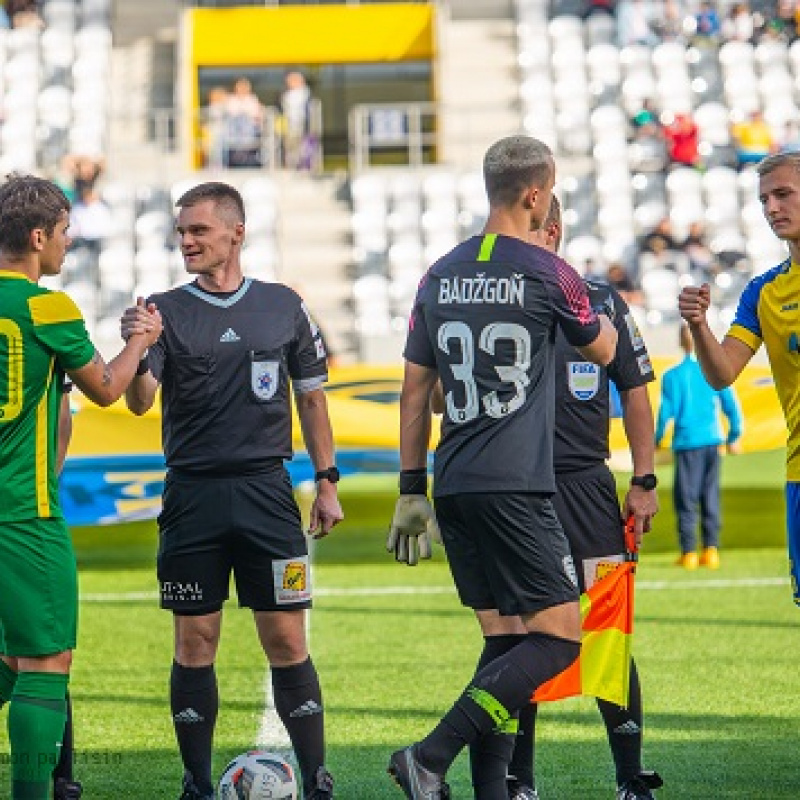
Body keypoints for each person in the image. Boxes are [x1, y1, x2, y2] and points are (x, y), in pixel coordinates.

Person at [385, 135, 618, 799]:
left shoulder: (438, 273)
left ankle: (492, 792)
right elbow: (603, 349)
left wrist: (411, 490)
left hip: (453, 481)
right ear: (538, 196)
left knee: (505, 640)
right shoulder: (550, 271)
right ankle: (429, 755)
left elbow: (413, 392)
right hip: (516, 483)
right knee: (561, 639)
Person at [121, 181, 342, 800]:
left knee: (286, 638)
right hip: (192, 497)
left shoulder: (283, 305)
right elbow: (141, 402)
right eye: (181, 231)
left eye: (199, 230)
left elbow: (312, 398)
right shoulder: (163, 309)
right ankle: (194, 782)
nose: (185, 240)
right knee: (196, 641)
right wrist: (140, 343)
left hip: (268, 496)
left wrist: (326, 482)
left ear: (236, 232)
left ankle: (317, 776)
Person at [0, 174, 161, 800]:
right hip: (23, 511)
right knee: (44, 663)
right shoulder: (48, 308)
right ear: (38, 236)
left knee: (11, 662)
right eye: (65, 233)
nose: (68, 245)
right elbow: (109, 389)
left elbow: (58, 412)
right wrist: (139, 341)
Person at [503, 196, 662, 800]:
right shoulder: (500, 300)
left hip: (589, 490)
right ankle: (519, 781)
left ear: (554, 229)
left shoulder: (603, 302)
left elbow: (637, 391)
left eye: (531, 229)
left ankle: (630, 777)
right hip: (518, 491)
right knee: (521, 636)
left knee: (606, 632)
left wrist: (642, 480)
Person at [677, 151, 800, 603]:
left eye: (783, 194)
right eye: (764, 199)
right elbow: (722, 373)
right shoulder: (763, 291)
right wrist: (699, 326)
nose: (771, 208)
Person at [655, 324, 743, 569]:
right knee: (710, 494)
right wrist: (733, 435)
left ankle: (689, 552)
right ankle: (711, 550)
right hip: (713, 441)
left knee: (686, 497)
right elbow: (732, 407)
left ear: (680, 342)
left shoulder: (672, 376)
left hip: (687, 443)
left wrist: (657, 439)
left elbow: (665, 412)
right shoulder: (711, 371)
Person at [280, 70, 314, 171]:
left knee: (305, 150)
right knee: (290, 151)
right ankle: (290, 168)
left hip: (304, 126)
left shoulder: (307, 94)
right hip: (289, 127)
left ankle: (305, 168)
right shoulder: (284, 95)